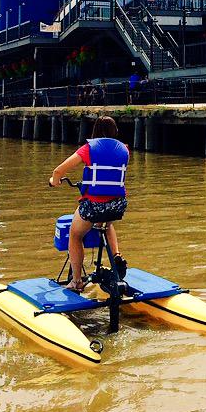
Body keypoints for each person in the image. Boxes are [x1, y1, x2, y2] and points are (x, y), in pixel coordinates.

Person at [48, 116, 129, 290]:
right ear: (115, 131)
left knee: (75, 234)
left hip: (94, 205)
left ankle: (76, 281)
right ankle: (116, 256)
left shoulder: (88, 149)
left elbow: (59, 170)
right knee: (106, 225)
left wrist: (54, 180)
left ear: (95, 132)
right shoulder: (125, 150)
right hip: (118, 205)